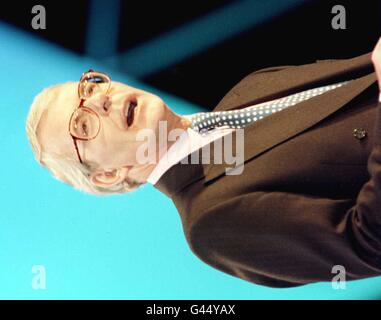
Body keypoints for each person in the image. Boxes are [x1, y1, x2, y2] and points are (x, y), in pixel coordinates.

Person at [25, 37, 381, 288]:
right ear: (108, 175)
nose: (101, 99)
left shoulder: (251, 87)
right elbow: (368, 242)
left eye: (90, 87)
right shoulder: (210, 222)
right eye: (83, 124)